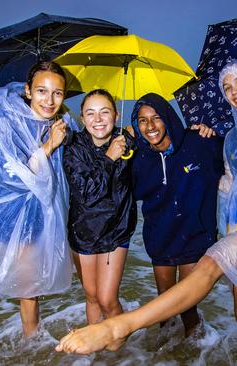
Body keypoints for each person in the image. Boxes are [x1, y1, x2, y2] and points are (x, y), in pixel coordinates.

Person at [55, 56, 237, 355]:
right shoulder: (232, 139)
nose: (234, 90)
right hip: (236, 226)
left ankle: (119, 326)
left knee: (210, 264)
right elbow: (226, 187)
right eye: (227, 86)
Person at [0, 61, 73, 356]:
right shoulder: (6, 119)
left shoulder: (62, 125)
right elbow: (10, 173)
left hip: (30, 218)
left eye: (57, 93)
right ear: (27, 91)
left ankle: (32, 352)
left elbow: (90, 152)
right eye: (41, 91)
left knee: (30, 289)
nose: (49, 101)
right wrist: (49, 146)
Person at [128, 93, 223, 337]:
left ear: (168, 118)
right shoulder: (136, 157)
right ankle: (166, 356)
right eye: (142, 120)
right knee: (164, 308)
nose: (150, 126)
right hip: (160, 237)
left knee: (187, 307)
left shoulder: (199, 143)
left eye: (156, 118)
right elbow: (123, 192)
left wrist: (212, 131)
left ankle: (197, 353)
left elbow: (235, 163)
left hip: (195, 234)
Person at [63, 89, 137, 325]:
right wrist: (109, 157)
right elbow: (87, 192)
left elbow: (163, 142)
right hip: (83, 231)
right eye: (90, 113)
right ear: (82, 119)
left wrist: (198, 131)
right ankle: (96, 355)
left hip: (116, 232)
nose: (98, 120)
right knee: (92, 297)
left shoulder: (129, 143)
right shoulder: (74, 147)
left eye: (104, 112)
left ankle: (119, 348)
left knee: (107, 299)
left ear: (115, 115)